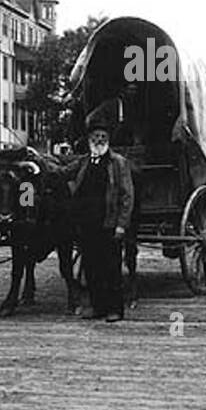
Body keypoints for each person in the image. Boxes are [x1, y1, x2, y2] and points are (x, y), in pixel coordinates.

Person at [68, 103, 135, 323]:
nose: (98, 140)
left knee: (111, 268)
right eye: (95, 136)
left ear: (108, 139)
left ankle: (115, 309)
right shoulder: (84, 162)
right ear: (89, 140)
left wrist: (121, 225)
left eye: (102, 136)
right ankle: (98, 307)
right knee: (92, 267)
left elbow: (126, 196)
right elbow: (63, 174)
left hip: (108, 223)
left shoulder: (118, 163)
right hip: (87, 225)